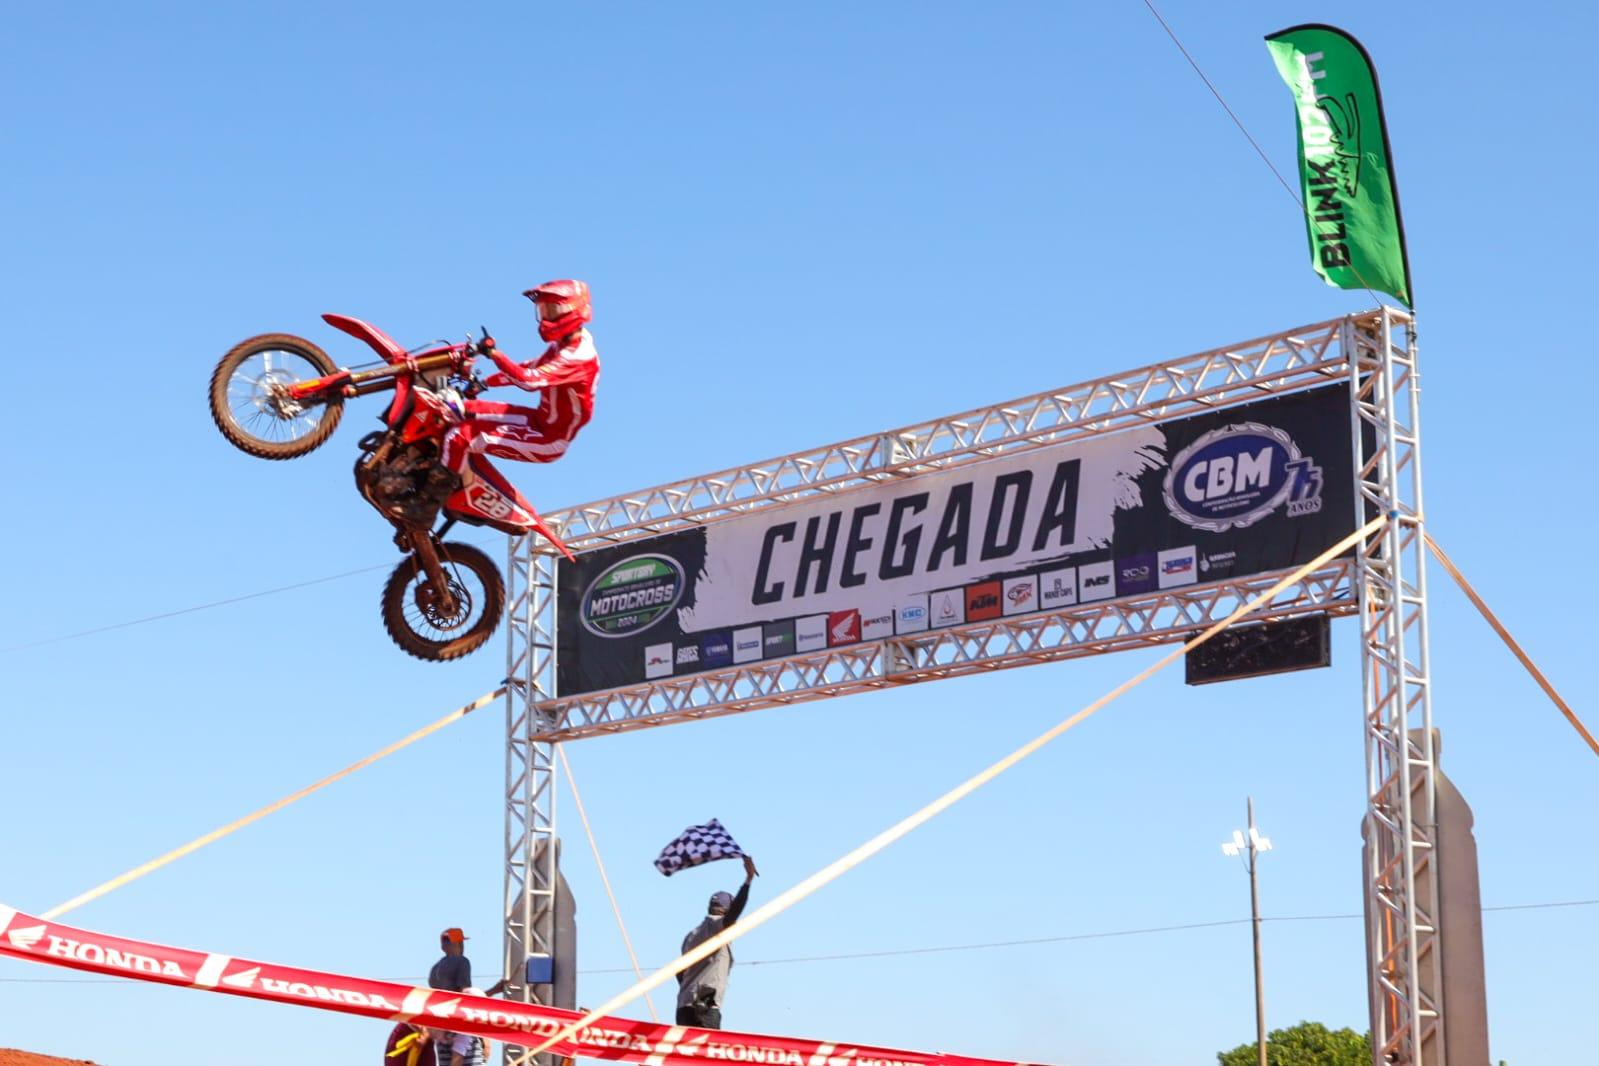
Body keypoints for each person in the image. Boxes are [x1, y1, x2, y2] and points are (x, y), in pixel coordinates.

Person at [437, 279, 601, 495]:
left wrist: (495, 354)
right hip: (537, 421)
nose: (545, 318)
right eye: (543, 310)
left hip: (549, 439)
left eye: (552, 310)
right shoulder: (562, 346)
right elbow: (526, 367)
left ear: (573, 312)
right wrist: (484, 383)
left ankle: (428, 505)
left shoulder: (579, 357)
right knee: (464, 409)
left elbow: (529, 380)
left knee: (460, 436)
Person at [676, 854, 759, 1028]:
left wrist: (691, 989)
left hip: (683, 1009)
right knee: (707, 1053)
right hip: (704, 1009)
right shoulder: (720, 927)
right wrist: (748, 880)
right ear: (725, 910)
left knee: (687, 1056)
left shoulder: (691, 936)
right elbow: (734, 913)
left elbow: (679, 973)